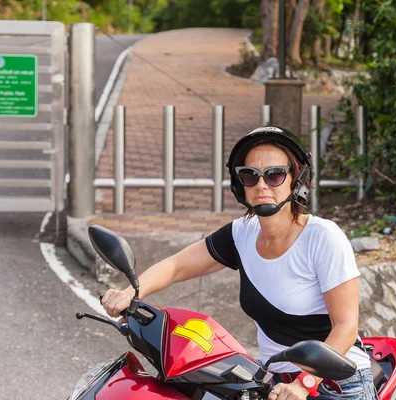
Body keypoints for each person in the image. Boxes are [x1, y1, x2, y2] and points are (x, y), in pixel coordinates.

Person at [101, 126, 378, 400]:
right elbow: (177, 266)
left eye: (274, 175)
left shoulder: (322, 238)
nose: (261, 185)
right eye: (250, 176)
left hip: (336, 384)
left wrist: (305, 383)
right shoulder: (241, 234)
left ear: (297, 180)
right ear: (239, 185)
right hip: (273, 382)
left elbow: (346, 327)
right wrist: (129, 294)